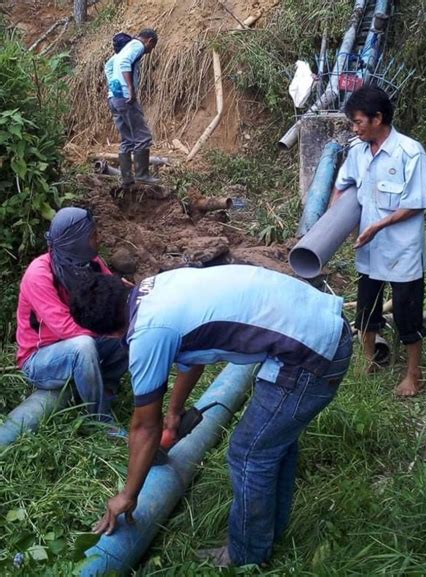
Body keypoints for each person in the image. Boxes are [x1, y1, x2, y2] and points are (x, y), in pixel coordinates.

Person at [69, 264, 353, 567]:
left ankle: (247, 557)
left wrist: (127, 495)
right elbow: (193, 356)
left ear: (111, 334)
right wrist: (175, 413)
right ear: (123, 284)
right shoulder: (157, 288)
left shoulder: (148, 332)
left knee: (249, 454)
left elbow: (143, 428)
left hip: (314, 354)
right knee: (271, 443)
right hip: (321, 321)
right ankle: (270, 533)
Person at [331, 86, 426, 396]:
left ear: (378, 118)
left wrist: (378, 226)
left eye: (359, 121)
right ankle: (369, 360)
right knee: (367, 308)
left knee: (407, 312)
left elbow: (415, 203)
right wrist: (334, 221)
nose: (354, 128)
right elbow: (342, 185)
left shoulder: (409, 152)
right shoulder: (359, 152)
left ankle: (413, 374)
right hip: (369, 249)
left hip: (402, 250)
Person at [16, 207, 128, 424]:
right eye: (93, 235)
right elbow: (65, 328)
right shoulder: (39, 275)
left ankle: (105, 389)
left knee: (128, 335)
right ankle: (98, 420)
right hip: (40, 358)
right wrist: (109, 332)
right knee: (83, 346)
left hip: (79, 344)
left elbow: (113, 296)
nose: (100, 238)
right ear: (76, 241)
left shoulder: (91, 263)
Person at [104, 28, 159, 187]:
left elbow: (108, 66)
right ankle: (142, 175)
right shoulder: (137, 45)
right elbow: (124, 63)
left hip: (114, 98)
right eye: (152, 46)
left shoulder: (121, 51)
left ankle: (127, 179)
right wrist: (130, 88)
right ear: (149, 41)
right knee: (143, 137)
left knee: (127, 139)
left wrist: (114, 87)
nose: (150, 50)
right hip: (126, 98)